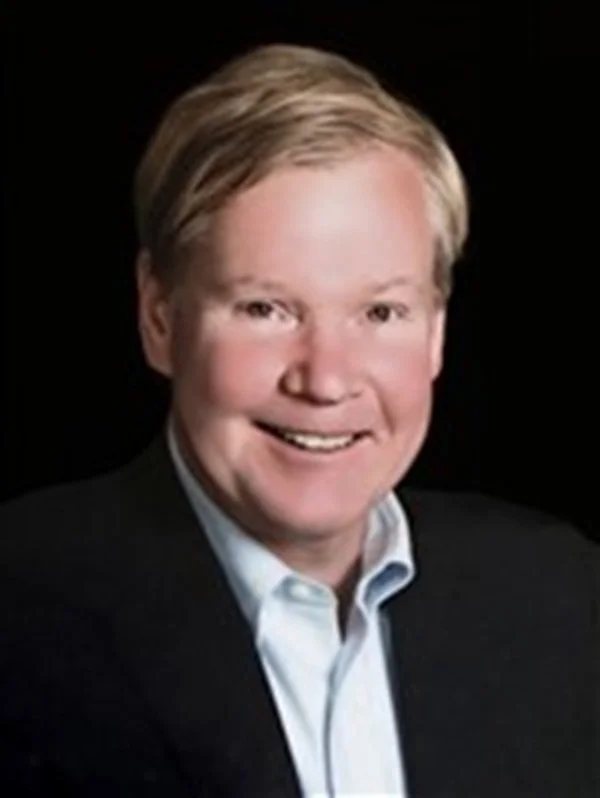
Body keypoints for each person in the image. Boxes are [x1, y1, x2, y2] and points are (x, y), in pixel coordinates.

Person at [0, 43, 597, 798]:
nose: (326, 378)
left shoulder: (560, 597)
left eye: (381, 311)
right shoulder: (22, 613)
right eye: (265, 309)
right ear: (158, 317)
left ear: (437, 331)